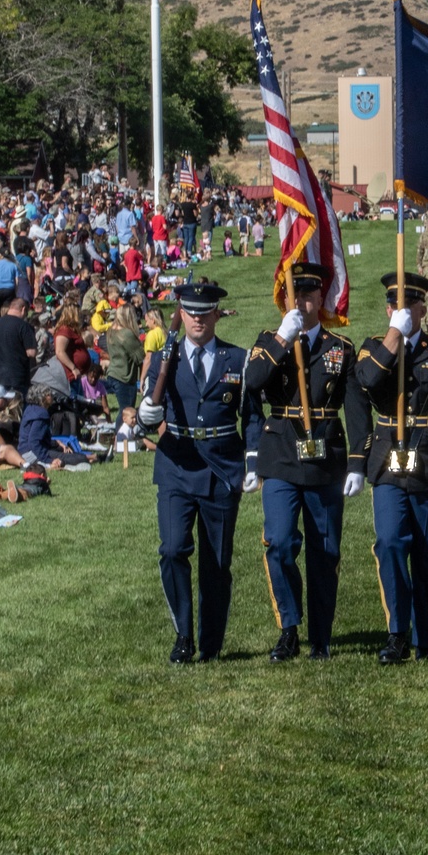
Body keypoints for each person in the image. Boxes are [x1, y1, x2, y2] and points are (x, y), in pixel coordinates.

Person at [349, 271, 428, 663]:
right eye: (393, 305)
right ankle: (396, 633)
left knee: (426, 552)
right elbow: (368, 379)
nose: (400, 310)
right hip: (388, 461)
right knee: (389, 543)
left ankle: (426, 637)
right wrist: (394, 337)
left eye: (407, 305)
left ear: (423, 307)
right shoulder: (372, 349)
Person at [245, 261, 361, 662]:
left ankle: (322, 635)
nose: (305, 301)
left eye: (311, 294)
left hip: (324, 457)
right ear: (286, 298)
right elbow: (254, 381)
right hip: (280, 454)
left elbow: (356, 409)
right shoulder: (268, 340)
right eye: (297, 294)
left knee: (325, 550)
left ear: (321, 299)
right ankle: (289, 628)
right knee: (278, 542)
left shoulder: (339, 349)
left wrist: (359, 462)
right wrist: (282, 339)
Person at [140, 281, 260, 664]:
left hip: (223, 468)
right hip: (176, 463)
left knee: (217, 563)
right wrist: (146, 416)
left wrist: (252, 462)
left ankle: (210, 642)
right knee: (173, 549)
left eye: (204, 312)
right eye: (190, 312)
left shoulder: (236, 359)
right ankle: (183, 635)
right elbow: (147, 405)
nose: (197, 319)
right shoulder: (165, 358)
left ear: (216, 314)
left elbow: (252, 416)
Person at [0, 295, 38, 398]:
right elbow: (31, 352)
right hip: (19, 376)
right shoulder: (24, 326)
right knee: (18, 406)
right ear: (23, 309)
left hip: (0, 376)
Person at [105, 304, 144, 420]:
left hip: (113, 373)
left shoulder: (111, 331)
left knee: (124, 409)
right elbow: (140, 357)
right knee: (127, 411)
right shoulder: (126, 334)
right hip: (124, 377)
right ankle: (121, 436)